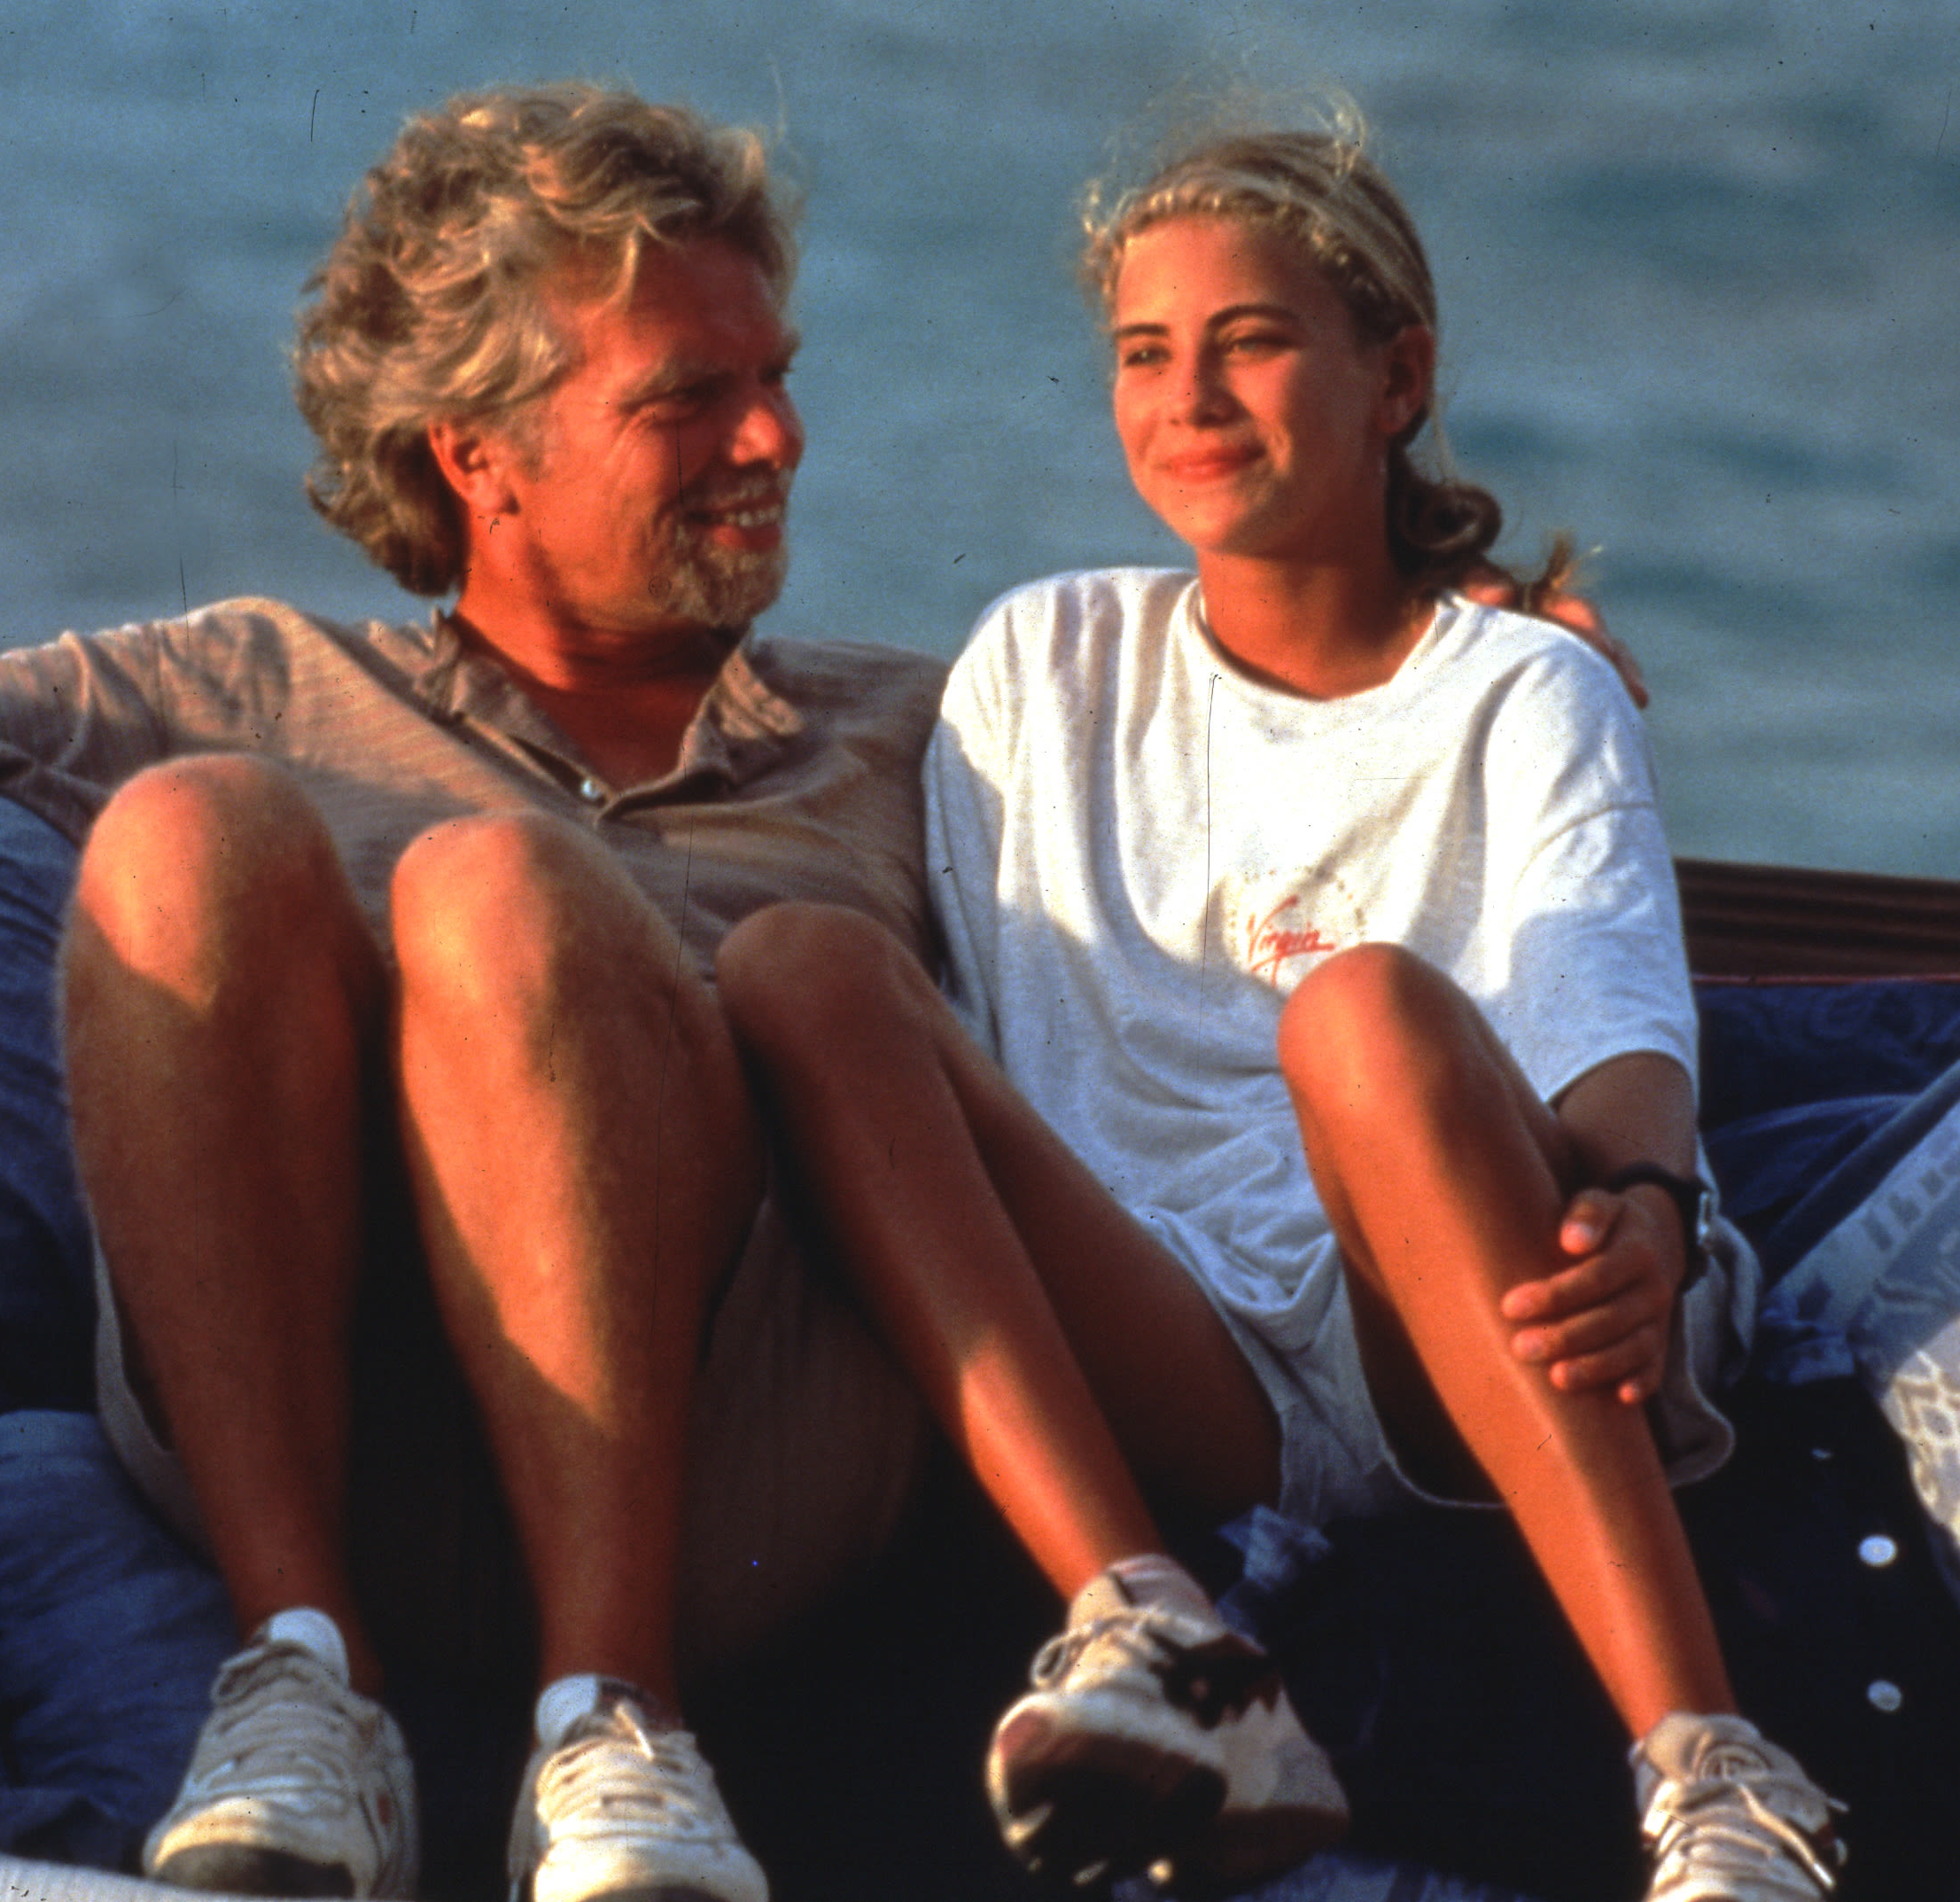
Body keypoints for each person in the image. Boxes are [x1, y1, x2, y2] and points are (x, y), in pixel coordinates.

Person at [0, 83, 939, 1902]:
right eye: (687, 399)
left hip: (744, 1449)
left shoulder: (908, 726)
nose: (775, 436)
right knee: (187, 832)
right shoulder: (244, 675)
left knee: (495, 889)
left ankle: (616, 1711)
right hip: (345, 1441)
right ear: (476, 455)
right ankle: (299, 1674)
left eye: (775, 374)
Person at [713, 114, 1842, 1902]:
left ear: (1392, 375)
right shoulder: (1040, 659)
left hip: (1473, 1303)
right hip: (1176, 1340)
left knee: (1357, 1010)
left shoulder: (1522, 685)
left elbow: (1603, 1002)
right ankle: (1158, 1637)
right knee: (798, 959)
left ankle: (1712, 1777)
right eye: (1143, 354)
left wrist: (1647, 1199)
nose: (1190, 396)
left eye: (1248, 339)